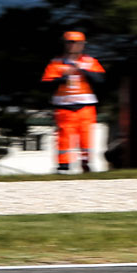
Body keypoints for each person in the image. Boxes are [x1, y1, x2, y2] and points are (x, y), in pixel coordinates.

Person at [41, 31, 105, 174]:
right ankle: (64, 165)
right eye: (70, 42)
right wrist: (63, 77)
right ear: (64, 44)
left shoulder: (90, 62)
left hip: (86, 106)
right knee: (64, 136)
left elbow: (101, 80)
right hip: (64, 106)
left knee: (86, 136)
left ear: (83, 45)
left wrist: (82, 70)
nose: (73, 46)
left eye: (76, 43)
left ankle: (86, 163)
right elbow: (45, 84)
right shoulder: (56, 63)